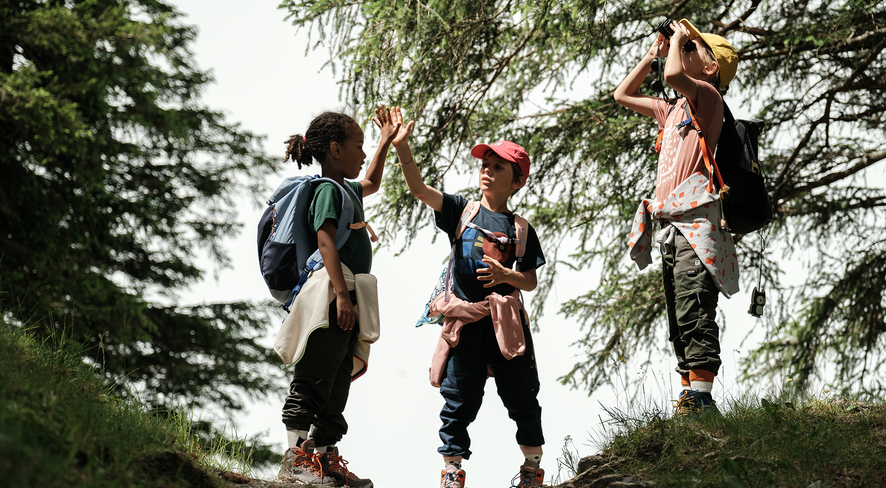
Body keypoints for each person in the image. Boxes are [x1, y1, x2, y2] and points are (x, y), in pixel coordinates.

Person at [388, 107, 547, 487]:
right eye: (485, 164)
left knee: (522, 398)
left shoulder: (522, 229)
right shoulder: (462, 209)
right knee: (457, 400)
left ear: (517, 181)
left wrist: (506, 274)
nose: (487, 170)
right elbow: (419, 189)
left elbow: (529, 282)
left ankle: (531, 470)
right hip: (465, 324)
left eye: (498, 167)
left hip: (506, 326)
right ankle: (452, 472)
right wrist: (402, 149)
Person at [613, 19, 741, 416]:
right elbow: (621, 94)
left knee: (694, 306)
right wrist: (654, 52)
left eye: (694, 49)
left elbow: (672, 75)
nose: (684, 51)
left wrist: (678, 43)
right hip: (671, 226)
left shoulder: (707, 97)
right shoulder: (670, 110)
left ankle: (703, 398)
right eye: (684, 46)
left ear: (711, 69)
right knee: (677, 313)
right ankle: (689, 394)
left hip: (696, 226)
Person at [276, 107, 399, 487]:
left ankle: (326, 460)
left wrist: (384, 143)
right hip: (332, 293)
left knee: (338, 378)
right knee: (315, 374)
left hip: (346, 293)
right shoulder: (328, 190)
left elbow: (373, 182)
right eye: (358, 146)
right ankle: (295, 459)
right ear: (335, 149)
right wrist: (342, 297)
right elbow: (325, 241)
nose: (362, 154)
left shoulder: (345, 188)